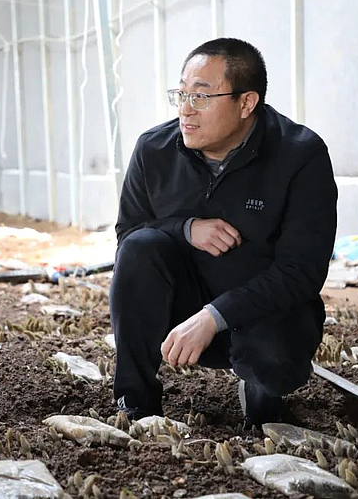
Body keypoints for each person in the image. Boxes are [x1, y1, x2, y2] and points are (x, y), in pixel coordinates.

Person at [111, 38, 337, 426]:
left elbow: (302, 271)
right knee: (139, 248)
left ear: (246, 103)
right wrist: (185, 229)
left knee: (273, 358)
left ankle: (262, 394)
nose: (185, 109)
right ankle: (135, 401)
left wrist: (214, 317)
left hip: (261, 317)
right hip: (180, 314)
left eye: (201, 96)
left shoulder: (301, 156)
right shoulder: (154, 149)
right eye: (181, 94)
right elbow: (127, 233)